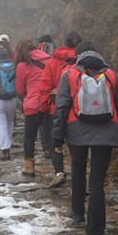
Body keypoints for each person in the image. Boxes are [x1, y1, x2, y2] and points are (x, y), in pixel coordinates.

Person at [52, 41, 118, 235]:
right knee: (97, 182)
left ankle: (77, 212)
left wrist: (57, 137)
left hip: (76, 131)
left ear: (78, 56)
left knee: (78, 168)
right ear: (98, 54)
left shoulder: (69, 75)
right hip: (105, 133)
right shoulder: (112, 75)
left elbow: (61, 108)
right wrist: (112, 117)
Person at [38, 30, 82, 188]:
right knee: (77, 146)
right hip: (78, 111)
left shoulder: (53, 61)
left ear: (64, 43)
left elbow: (45, 87)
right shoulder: (84, 60)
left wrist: (42, 108)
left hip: (55, 108)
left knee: (55, 143)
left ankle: (59, 172)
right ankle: (79, 177)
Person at [14, 39, 52, 176]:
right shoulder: (49, 60)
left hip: (33, 105)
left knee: (29, 136)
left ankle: (29, 167)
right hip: (50, 104)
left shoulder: (22, 65)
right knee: (53, 136)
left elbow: (19, 89)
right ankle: (58, 169)